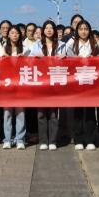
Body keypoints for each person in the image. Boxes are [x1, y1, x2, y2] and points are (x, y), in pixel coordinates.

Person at [64, 19, 99, 150]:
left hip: (90, 83)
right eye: (81, 29)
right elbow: (64, 58)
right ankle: (78, 139)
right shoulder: (72, 44)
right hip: (76, 83)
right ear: (77, 31)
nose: (83, 32)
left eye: (86, 29)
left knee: (90, 112)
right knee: (77, 112)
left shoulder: (94, 44)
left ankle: (90, 139)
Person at [31, 20, 63, 150]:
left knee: (53, 114)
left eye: (51, 28)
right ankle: (43, 141)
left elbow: (71, 60)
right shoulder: (37, 44)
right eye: (46, 28)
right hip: (41, 82)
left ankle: (53, 141)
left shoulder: (61, 44)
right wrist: (35, 58)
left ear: (54, 30)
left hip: (55, 82)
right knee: (41, 113)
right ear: (43, 30)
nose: (49, 30)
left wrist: (64, 57)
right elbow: (29, 61)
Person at [1, 25, 29, 149]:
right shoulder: (3, 48)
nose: (14, 35)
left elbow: (31, 65)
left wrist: (25, 59)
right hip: (7, 85)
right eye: (12, 33)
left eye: (16, 33)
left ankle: (20, 139)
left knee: (20, 113)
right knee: (7, 113)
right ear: (8, 35)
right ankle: (7, 139)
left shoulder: (26, 49)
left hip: (20, 85)